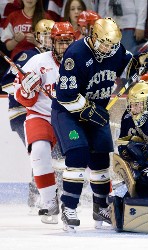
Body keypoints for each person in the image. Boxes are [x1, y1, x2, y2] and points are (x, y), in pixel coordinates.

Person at [51, 17, 148, 231]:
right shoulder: (76, 54)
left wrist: (142, 63)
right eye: (104, 44)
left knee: (101, 159)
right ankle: (69, 207)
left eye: (112, 45)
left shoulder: (115, 50)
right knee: (78, 154)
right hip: (69, 113)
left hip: (97, 112)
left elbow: (130, 68)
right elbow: (65, 95)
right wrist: (88, 110)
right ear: (93, 37)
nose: (108, 49)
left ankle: (100, 207)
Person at [13, 21, 76, 224]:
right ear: (53, 43)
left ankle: (100, 202)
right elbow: (20, 96)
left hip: (70, 118)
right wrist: (26, 90)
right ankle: (49, 201)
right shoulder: (37, 61)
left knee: (88, 156)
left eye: (68, 42)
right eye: (60, 42)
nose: (64, 47)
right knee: (39, 152)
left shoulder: (82, 61)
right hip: (41, 116)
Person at [1, 19, 55, 213]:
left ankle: (45, 194)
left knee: (49, 152)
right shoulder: (28, 56)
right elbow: (6, 84)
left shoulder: (55, 59)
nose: (49, 39)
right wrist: (25, 85)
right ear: (37, 38)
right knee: (42, 150)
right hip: (22, 113)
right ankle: (39, 197)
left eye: (52, 35)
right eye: (45, 35)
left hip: (44, 113)